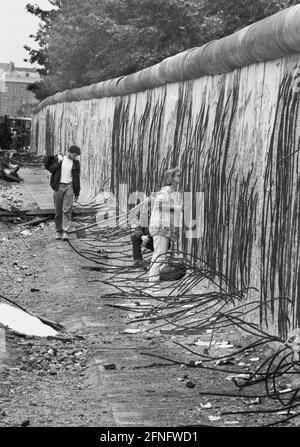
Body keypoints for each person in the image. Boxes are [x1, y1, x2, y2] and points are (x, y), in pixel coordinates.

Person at [148, 167, 183, 287]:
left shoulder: (170, 191)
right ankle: (153, 282)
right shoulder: (165, 191)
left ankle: (153, 281)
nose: (180, 178)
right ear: (171, 178)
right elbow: (160, 205)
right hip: (160, 227)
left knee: (161, 255)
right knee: (159, 255)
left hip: (163, 227)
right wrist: (177, 208)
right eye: (178, 176)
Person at [46, 145, 81, 241]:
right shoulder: (59, 158)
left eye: (76, 156)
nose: (74, 157)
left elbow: (77, 178)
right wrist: (58, 162)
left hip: (69, 187)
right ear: (69, 152)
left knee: (67, 210)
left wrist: (77, 192)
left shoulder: (76, 163)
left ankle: (65, 231)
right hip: (58, 186)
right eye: (74, 155)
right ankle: (58, 230)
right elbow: (51, 169)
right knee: (58, 210)